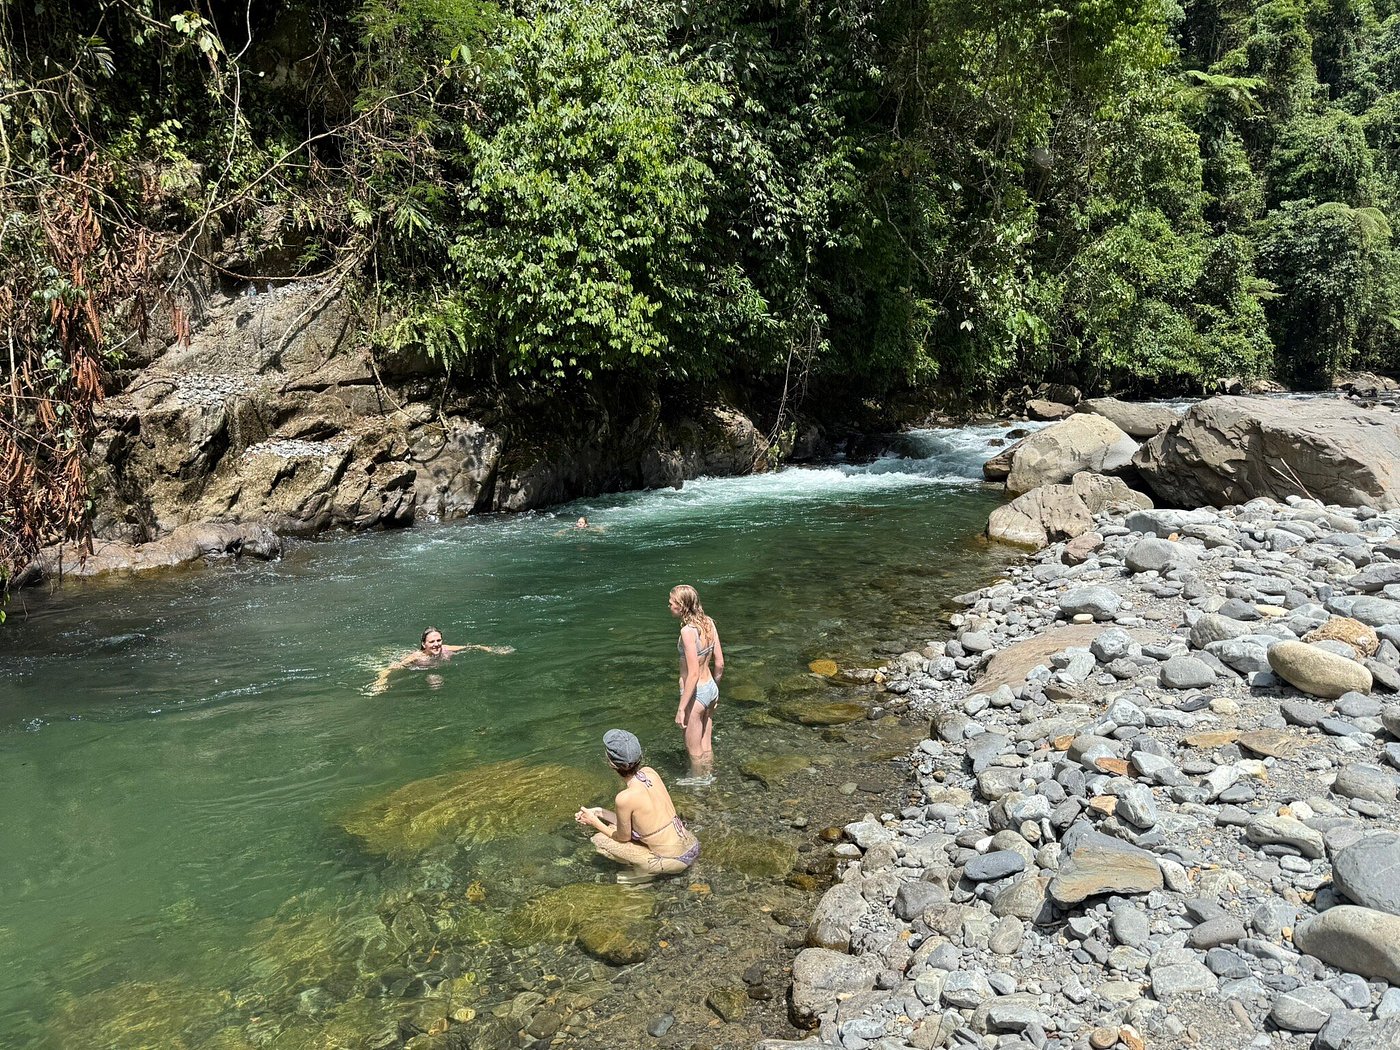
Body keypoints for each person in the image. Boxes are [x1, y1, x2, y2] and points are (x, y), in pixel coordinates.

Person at [575, 729, 700, 883]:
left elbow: (622, 838)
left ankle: (640, 876)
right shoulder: (650, 772)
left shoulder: (624, 798)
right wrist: (600, 812)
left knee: (599, 840)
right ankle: (646, 869)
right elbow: (640, 823)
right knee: (614, 828)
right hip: (691, 845)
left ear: (611, 763)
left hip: (672, 861)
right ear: (640, 757)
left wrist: (593, 822)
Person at [669, 584, 723, 783]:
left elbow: (692, 674)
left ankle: (698, 785)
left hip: (696, 694)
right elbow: (720, 663)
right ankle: (709, 776)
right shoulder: (709, 622)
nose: (669, 606)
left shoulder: (688, 632)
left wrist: (681, 708)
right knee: (706, 744)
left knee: (694, 750)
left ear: (682, 606)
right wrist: (715, 691)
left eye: (672, 603)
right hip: (710, 688)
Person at [368, 626, 513, 694]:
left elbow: (472, 646)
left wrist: (493, 650)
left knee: (437, 683)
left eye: (439, 640)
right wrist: (380, 682)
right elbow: (391, 667)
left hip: (437, 667)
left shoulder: (446, 649)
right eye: (432, 642)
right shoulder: (417, 656)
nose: (437, 644)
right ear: (424, 644)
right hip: (423, 669)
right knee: (435, 683)